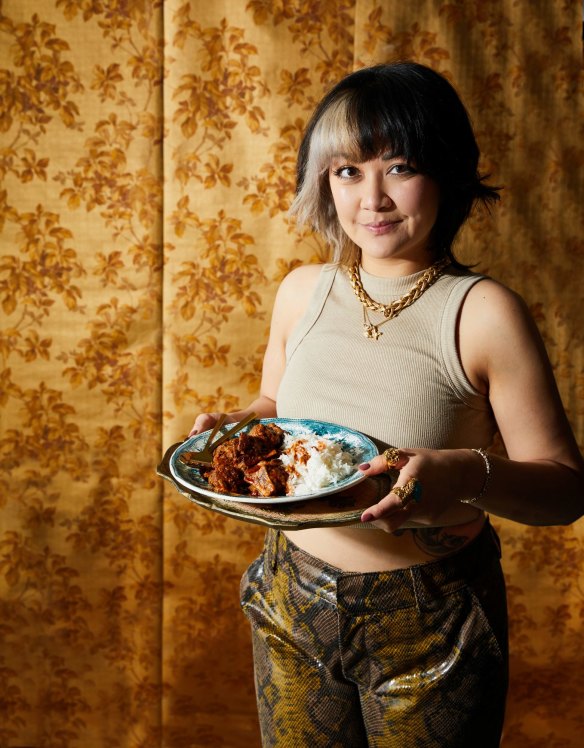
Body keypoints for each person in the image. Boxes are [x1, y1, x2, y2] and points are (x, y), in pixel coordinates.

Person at [189, 62, 584, 747]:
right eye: (346, 171)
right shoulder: (300, 291)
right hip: (290, 595)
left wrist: (468, 475)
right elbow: (278, 403)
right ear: (323, 180)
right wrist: (243, 423)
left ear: (448, 174)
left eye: (398, 167)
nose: (371, 198)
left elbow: (566, 490)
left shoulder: (484, 314)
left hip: (430, 617)